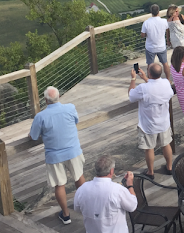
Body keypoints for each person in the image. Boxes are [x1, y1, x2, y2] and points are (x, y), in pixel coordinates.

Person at [29, 86, 86, 225]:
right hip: (73, 151)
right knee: (79, 178)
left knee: (60, 185)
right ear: (59, 96)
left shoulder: (40, 116)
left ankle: (66, 215)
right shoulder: (70, 108)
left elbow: (34, 136)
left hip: (54, 156)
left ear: (45, 100)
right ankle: (87, 207)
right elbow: (75, 121)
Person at [129, 63, 174, 177]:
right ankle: (169, 167)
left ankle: (150, 172)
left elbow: (131, 96)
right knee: (166, 144)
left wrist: (133, 79)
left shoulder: (143, 88)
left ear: (149, 73)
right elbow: (157, 87)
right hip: (164, 122)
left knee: (149, 148)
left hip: (149, 125)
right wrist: (145, 78)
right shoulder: (165, 83)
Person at [73, 155, 138, 233]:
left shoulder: (82, 189)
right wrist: (130, 185)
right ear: (111, 171)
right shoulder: (117, 190)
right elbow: (132, 206)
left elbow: (77, 208)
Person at [141, 4, 171, 81]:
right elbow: (168, 30)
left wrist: (148, 34)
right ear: (159, 12)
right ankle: (168, 79)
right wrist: (168, 40)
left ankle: (149, 81)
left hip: (150, 47)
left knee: (150, 65)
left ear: (151, 12)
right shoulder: (164, 21)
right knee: (165, 63)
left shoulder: (146, 22)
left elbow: (142, 35)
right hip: (161, 46)